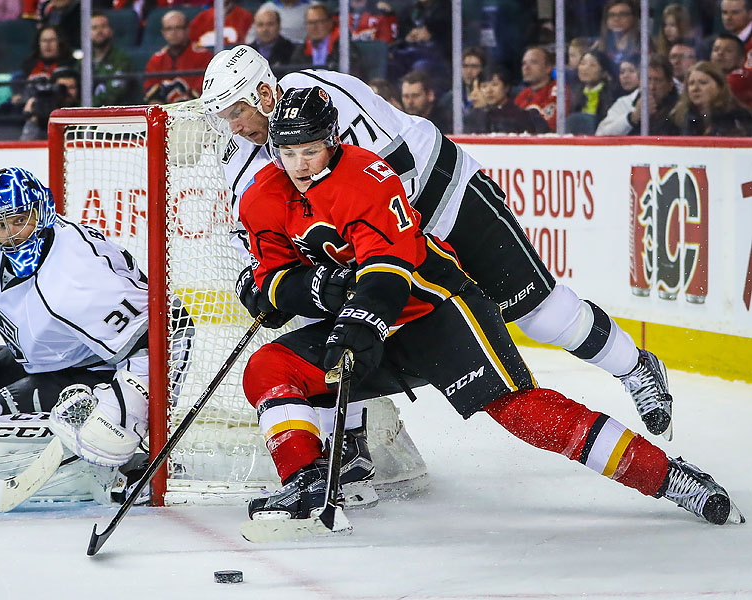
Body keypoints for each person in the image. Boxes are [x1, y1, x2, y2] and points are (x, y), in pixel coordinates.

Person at [236, 85, 742, 527]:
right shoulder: (261, 196)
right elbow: (275, 278)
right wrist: (304, 292)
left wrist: (354, 317)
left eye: (310, 150)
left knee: (524, 411)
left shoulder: (367, 176)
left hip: (436, 310)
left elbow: (388, 271)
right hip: (369, 324)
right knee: (268, 366)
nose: (299, 164)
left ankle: (670, 478)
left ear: (333, 141)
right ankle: (304, 481)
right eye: (287, 151)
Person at [200, 45, 676, 448]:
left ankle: (634, 366)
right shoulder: (238, 156)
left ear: (263, 92)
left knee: (540, 313)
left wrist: (369, 255)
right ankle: (349, 443)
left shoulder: (324, 97)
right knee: (322, 316)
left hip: (443, 198)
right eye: (224, 117)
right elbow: (257, 232)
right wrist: (260, 276)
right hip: (382, 239)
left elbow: (390, 173)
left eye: (236, 111)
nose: (234, 126)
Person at [0, 167, 188, 501]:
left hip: (104, 369)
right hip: (47, 360)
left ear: (43, 213)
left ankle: (129, 465)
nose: (12, 236)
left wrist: (129, 409)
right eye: (0, 226)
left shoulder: (78, 278)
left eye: (19, 221)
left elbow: (173, 328)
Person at [596, 54, 679, 135]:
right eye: (647, 80)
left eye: (658, 80)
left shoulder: (679, 107)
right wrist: (632, 117)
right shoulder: (625, 103)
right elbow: (601, 134)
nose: (652, 87)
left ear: (670, 84)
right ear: (639, 81)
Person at [143, 10, 212, 104]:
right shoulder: (156, 59)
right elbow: (152, 97)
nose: (173, 33)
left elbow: (203, 94)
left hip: (194, 112)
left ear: (187, 29)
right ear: (163, 32)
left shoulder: (203, 56)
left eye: (178, 27)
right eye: (169, 28)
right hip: (163, 114)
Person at [669, 60, 752, 135]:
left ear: (720, 87)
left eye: (703, 83)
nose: (695, 88)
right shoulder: (678, 117)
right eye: (691, 83)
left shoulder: (738, 117)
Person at [464, 64, 549, 134]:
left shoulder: (526, 116)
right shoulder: (473, 117)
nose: (489, 91)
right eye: (484, 86)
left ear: (506, 87)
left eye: (495, 84)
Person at [289, 4, 360, 74]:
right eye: (310, 23)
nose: (314, 27)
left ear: (330, 22)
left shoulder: (344, 47)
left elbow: (352, 73)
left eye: (319, 22)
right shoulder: (301, 50)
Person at [89, 11, 138, 107]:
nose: (99, 31)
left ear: (110, 31)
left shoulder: (121, 59)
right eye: (94, 28)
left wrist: (87, 106)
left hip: (114, 113)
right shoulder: (83, 61)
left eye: (103, 26)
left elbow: (114, 94)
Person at [515, 46, 569, 132]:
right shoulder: (523, 94)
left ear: (548, 67)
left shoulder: (559, 91)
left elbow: (553, 127)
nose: (526, 67)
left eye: (533, 62)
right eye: (524, 63)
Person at [568, 49, 616, 133]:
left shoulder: (612, 95)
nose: (585, 68)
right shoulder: (572, 94)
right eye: (582, 64)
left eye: (593, 65)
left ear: (604, 72)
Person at [710, 33, 752, 107]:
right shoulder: (708, 76)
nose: (720, 53)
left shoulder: (742, 78)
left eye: (728, 50)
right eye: (716, 50)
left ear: (742, 59)